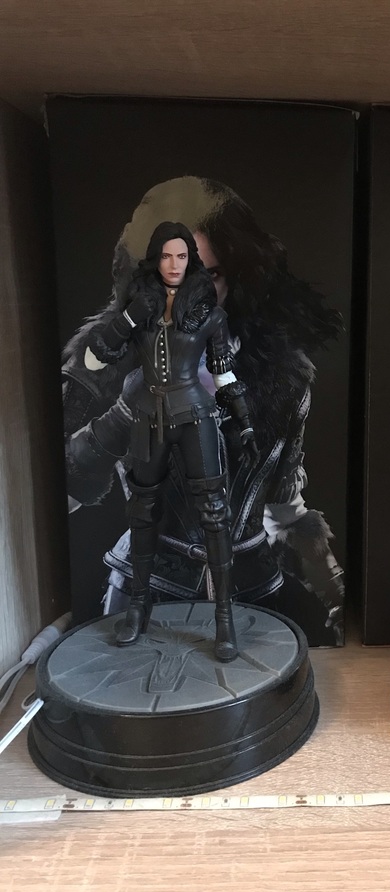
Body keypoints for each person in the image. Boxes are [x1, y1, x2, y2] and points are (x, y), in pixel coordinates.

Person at [62, 177, 345, 647]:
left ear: (235, 274)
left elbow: (284, 505)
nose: (192, 285)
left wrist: (331, 583)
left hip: (254, 592)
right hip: (147, 586)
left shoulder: (283, 376)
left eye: (210, 274)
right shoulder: (113, 351)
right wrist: (119, 417)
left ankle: (225, 623)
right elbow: (60, 495)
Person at [85, 221, 258, 661]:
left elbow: (222, 373)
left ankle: (223, 618)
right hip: (147, 418)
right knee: (142, 511)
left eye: (181, 256)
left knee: (214, 514)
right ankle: (138, 607)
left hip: (195, 416)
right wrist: (129, 317)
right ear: (156, 259)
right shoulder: (138, 307)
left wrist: (245, 422)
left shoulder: (209, 313)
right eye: (166, 255)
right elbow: (94, 358)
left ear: (190, 260)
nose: (174, 264)